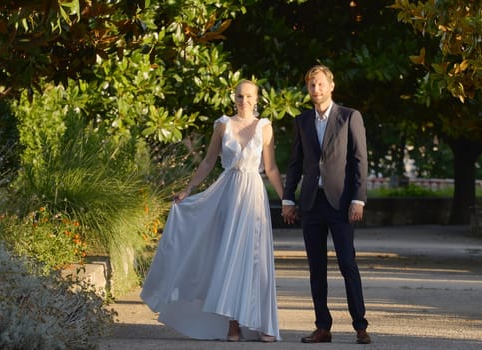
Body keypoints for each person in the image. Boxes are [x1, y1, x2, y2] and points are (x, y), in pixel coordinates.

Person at [140, 80, 283, 342]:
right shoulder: (222, 125)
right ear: (234, 98)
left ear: (257, 98)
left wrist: (287, 200)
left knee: (256, 259)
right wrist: (188, 189)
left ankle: (264, 323)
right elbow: (208, 161)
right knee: (229, 257)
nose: (244, 100)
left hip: (253, 195)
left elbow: (271, 168)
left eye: (249, 96)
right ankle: (233, 323)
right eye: (240, 96)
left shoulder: (265, 127)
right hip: (227, 192)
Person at [282, 65, 371, 344]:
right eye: (311, 86)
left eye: (320, 84)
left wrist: (358, 198)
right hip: (311, 204)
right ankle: (323, 327)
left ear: (331, 86)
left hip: (341, 203)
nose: (316, 90)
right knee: (316, 268)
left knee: (347, 263)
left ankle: (360, 326)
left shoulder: (349, 117)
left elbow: (359, 160)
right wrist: (288, 198)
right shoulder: (302, 121)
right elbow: (296, 163)